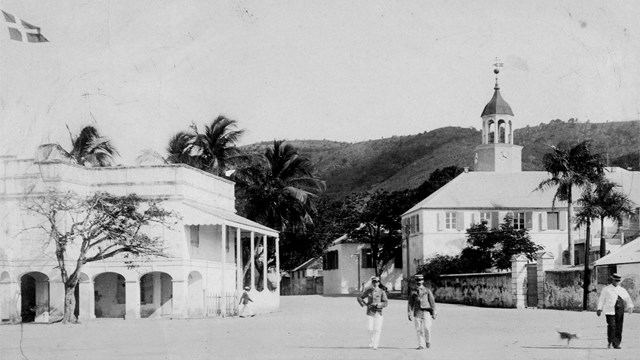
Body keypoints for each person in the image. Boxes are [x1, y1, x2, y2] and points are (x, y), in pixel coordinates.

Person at [597, 273, 634, 349]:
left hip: (619, 309)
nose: (617, 282)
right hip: (609, 309)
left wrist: (630, 306)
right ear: (612, 280)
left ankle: (616, 343)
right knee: (611, 326)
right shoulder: (606, 289)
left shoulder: (622, 290)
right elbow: (601, 299)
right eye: (616, 280)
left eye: (618, 281)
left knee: (619, 326)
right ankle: (610, 341)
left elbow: (627, 298)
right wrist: (599, 308)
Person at [357, 276, 388, 350]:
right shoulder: (368, 291)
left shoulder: (382, 291)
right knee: (369, 328)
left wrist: (379, 304)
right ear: (372, 283)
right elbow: (360, 297)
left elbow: (386, 302)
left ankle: (375, 344)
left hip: (378, 312)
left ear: (379, 283)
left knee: (377, 329)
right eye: (374, 282)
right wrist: (363, 303)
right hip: (370, 312)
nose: (375, 283)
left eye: (377, 282)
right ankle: (372, 341)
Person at [407, 274, 437, 350]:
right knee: (418, 329)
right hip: (417, 312)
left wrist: (434, 312)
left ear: (423, 281)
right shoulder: (413, 292)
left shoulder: (427, 290)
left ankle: (428, 341)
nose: (419, 282)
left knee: (427, 327)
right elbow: (410, 304)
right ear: (415, 282)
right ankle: (421, 344)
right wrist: (409, 313)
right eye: (417, 280)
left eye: (420, 280)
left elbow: (432, 302)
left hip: (426, 311)